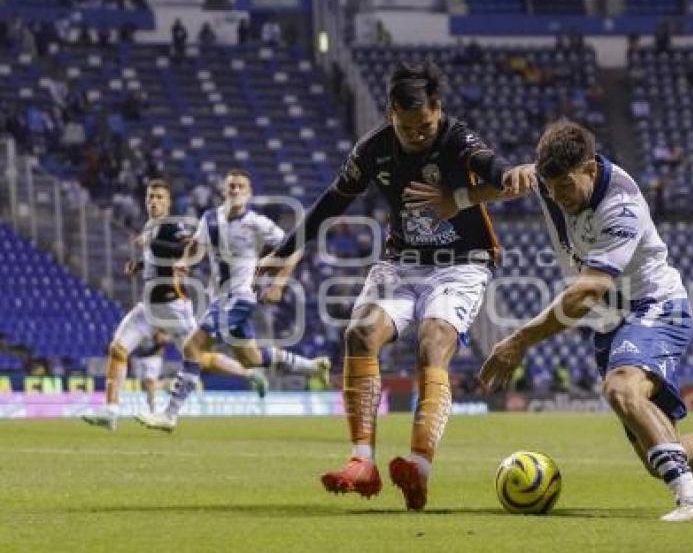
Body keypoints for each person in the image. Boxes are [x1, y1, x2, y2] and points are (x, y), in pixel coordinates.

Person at [477, 121, 693, 522]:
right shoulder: (553, 177)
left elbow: (586, 293)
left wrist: (519, 339)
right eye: (551, 188)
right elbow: (512, 183)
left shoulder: (621, 206)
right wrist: (458, 200)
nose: (558, 197)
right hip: (613, 325)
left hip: (656, 306)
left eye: (566, 187)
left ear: (590, 169)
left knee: (620, 387)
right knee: (658, 451)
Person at [255, 62, 532, 510]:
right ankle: (362, 462)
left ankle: (418, 468)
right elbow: (332, 201)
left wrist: (510, 175)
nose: (417, 137)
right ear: (390, 116)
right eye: (406, 129)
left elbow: (493, 166)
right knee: (359, 334)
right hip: (401, 263)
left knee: (433, 341)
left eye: (424, 127)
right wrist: (286, 250)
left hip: (461, 265)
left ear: (437, 111)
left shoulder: (457, 138)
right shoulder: (373, 150)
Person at [136, 169, 330, 432]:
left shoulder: (258, 223)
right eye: (232, 186)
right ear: (223, 191)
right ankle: (313, 367)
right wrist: (185, 260)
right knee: (250, 358)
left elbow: (295, 248)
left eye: (241, 186)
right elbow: (196, 245)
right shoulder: (210, 219)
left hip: (239, 297)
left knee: (193, 347)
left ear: (249, 193)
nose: (236, 190)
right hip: (219, 297)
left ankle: (169, 414)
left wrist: (278, 284)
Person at [81, 180, 197, 430]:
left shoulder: (170, 226)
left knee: (201, 360)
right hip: (150, 307)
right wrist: (139, 266)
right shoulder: (150, 226)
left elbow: (187, 244)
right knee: (118, 348)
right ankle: (111, 411)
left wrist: (168, 251)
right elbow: (159, 261)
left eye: (159, 197)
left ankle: (249, 373)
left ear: (168, 203)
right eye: (150, 197)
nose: (153, 201)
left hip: (174, 308)